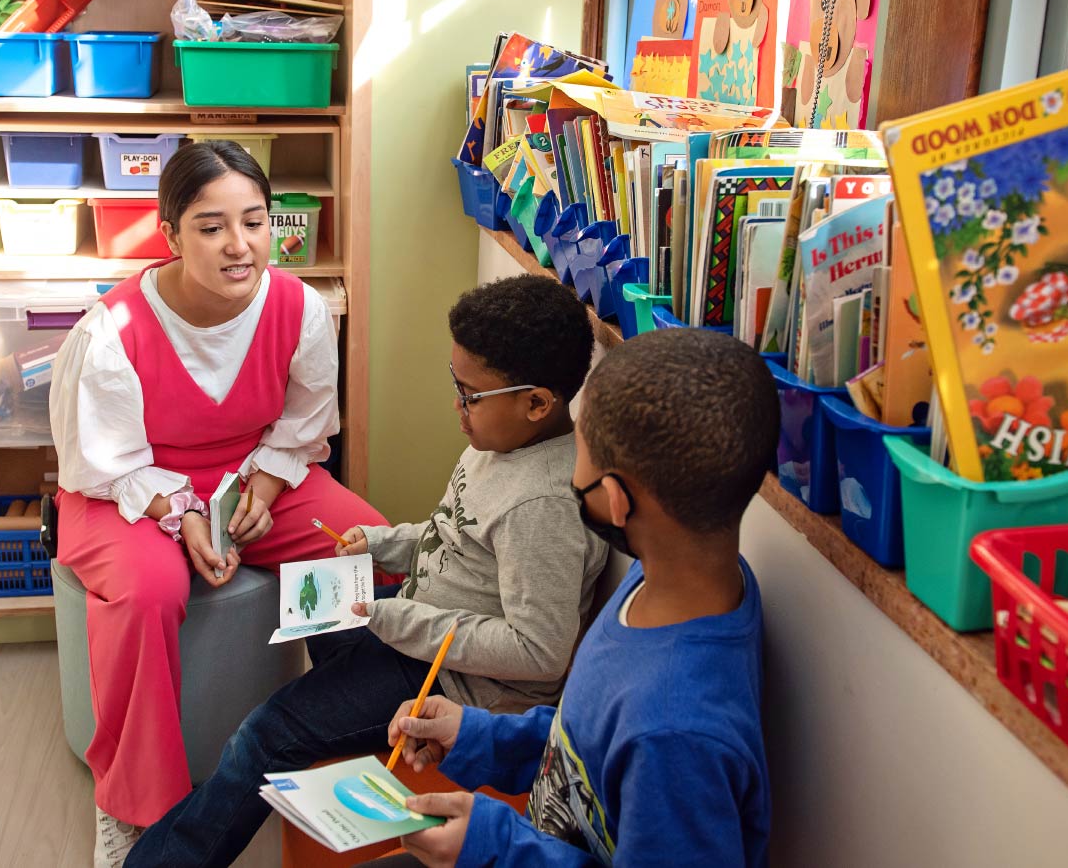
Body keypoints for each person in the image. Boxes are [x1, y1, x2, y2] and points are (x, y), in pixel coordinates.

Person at [125, 274, 611, 867]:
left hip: (451, 683)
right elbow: (453, 537)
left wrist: (397, 618)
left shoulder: (543, 506)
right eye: (454, 384)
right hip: (418, 630)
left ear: (536, 403)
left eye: (470, 395)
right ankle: (341, 716)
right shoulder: (499, 444)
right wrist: (384, 544)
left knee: (266, 733)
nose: (456, 408)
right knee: (307, 603)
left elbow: (540, 652)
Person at [48, 141, 386, 867]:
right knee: (147, 589)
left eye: (256, 222)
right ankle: (132, 805)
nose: (240, 246)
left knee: (362, 542)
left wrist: (262, 487)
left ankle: (337, 731)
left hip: (248, 473)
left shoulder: (300, 308)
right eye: (210, 227)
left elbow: (303, 423)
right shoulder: (113, 330)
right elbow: (100, 460)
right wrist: (184, 511)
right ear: (168, 233)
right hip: (124, 488)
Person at [383, 329, 778, 867]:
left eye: (580, 466)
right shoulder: (676, 582)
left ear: (615, 501)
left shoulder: (676, 740)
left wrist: (494, 844)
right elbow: (584, 749)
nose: (570, 476)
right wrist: (477, 735)